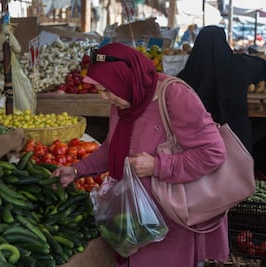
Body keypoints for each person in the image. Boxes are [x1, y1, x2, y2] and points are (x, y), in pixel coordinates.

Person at [51, 42, 228, 267]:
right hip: (134, 218)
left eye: (106, 89)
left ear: (124, 78)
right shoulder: (125, 100)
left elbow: (213, 152)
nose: (104, 98)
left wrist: (158, 166)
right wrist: (77, 170)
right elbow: (112, 148)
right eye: (100, 91)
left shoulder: (174, 95)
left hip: (170, 222)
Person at [177, 25, 266, 154]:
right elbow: (261, 66)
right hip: (236, 138)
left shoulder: (187, 74)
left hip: (198, 142)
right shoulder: (240, 65)